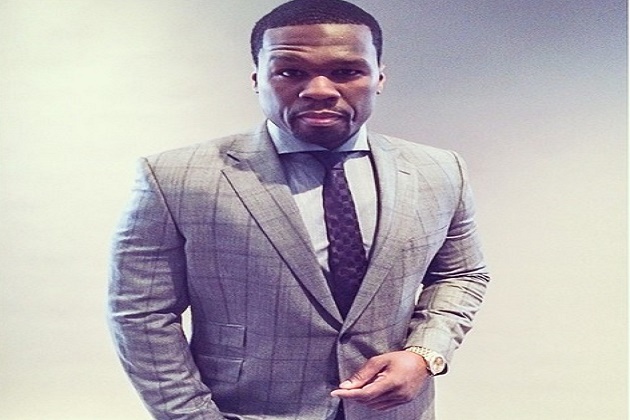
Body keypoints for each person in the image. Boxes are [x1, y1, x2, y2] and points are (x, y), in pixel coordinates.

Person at [107, 0, 490, 419]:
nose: (319, 90)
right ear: (258, 79)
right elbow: (141, 313)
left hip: (393, 411)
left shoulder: (439, 170)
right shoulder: (174, 177)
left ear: (379, 77)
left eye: (346, 71)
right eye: (290, 72)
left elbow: (461, 274)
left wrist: (424, 353)